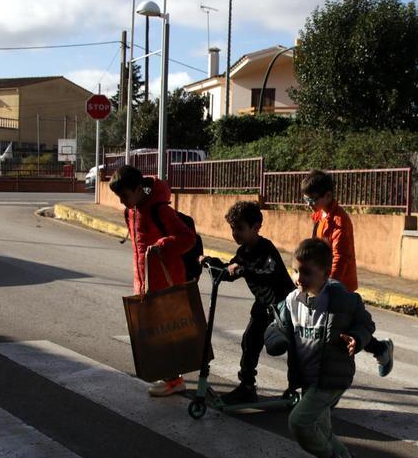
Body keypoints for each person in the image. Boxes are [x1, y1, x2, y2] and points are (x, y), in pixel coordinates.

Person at [265, 238, 371, 458]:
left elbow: (365, 325)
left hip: (332, 376)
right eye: (296, 270)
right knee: (321, 427)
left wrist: (357, 338)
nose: (299, 277)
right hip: (308, 377)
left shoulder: (340, 300)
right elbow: (277, 325)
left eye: (307, 272)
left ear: (325, 272)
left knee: (299, 422)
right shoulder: (292, 300)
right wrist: (277, 339)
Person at [109, 164, 197, 397]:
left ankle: (174, 380)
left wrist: (162, 245)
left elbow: (187, 238)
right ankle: (169, 376)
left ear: (139, 189)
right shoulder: (131, 211)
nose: (122, 202)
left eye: (124, 196)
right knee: (153, 333)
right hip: (145, 282)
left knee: (166, 333)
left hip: (165, 282)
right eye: (119, 197)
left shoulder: (160, 209)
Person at [301, 169, 395, 377]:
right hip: (321, 282)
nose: (309, 204)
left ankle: (337, 377)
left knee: (340, 332)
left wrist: (327, 285)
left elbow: (339, 258)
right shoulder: (320, 215)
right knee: (342, 329)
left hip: (337, 284)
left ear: (327, 196)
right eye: (306, 199)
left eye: (312, 199)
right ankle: (380, 349)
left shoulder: (339, 222)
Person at [216, 200, 296, 405]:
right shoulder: (243, 252)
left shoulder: (265, 248)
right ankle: (247, 386)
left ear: (256, 227)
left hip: (284, 308)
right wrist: (212, 264)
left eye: (240, 229)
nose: (235, 233)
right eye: (233, 229)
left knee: (293, 350)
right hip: (262, 307)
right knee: (249, 342)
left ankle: (295, 388)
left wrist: (244, 270)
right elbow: (230, 271)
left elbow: (268, 273)